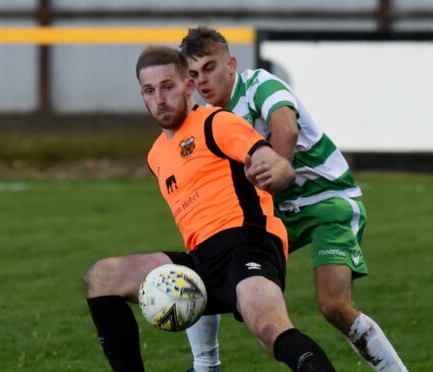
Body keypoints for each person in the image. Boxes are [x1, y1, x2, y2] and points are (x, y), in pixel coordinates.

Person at [84, 45, 337, 372]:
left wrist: (280, 171)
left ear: (189, 86)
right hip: (201, 259)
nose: (159, 99)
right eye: (149, 90)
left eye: (167, 87)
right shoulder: (156, 156)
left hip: (249, 246)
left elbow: (268, 158)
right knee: (101, 277)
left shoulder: (216, 122)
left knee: (269, 328)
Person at [179, 27, 408, 372]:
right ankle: (205, 366)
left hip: (328, 201)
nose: (203, 81)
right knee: (204, 263)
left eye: (210, 67)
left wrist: (278, 170)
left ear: (231, 64)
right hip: (277, 213)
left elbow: (285, 128)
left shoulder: (259, 85)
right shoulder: (207, 118)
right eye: (194, 75)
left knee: (333, 306)